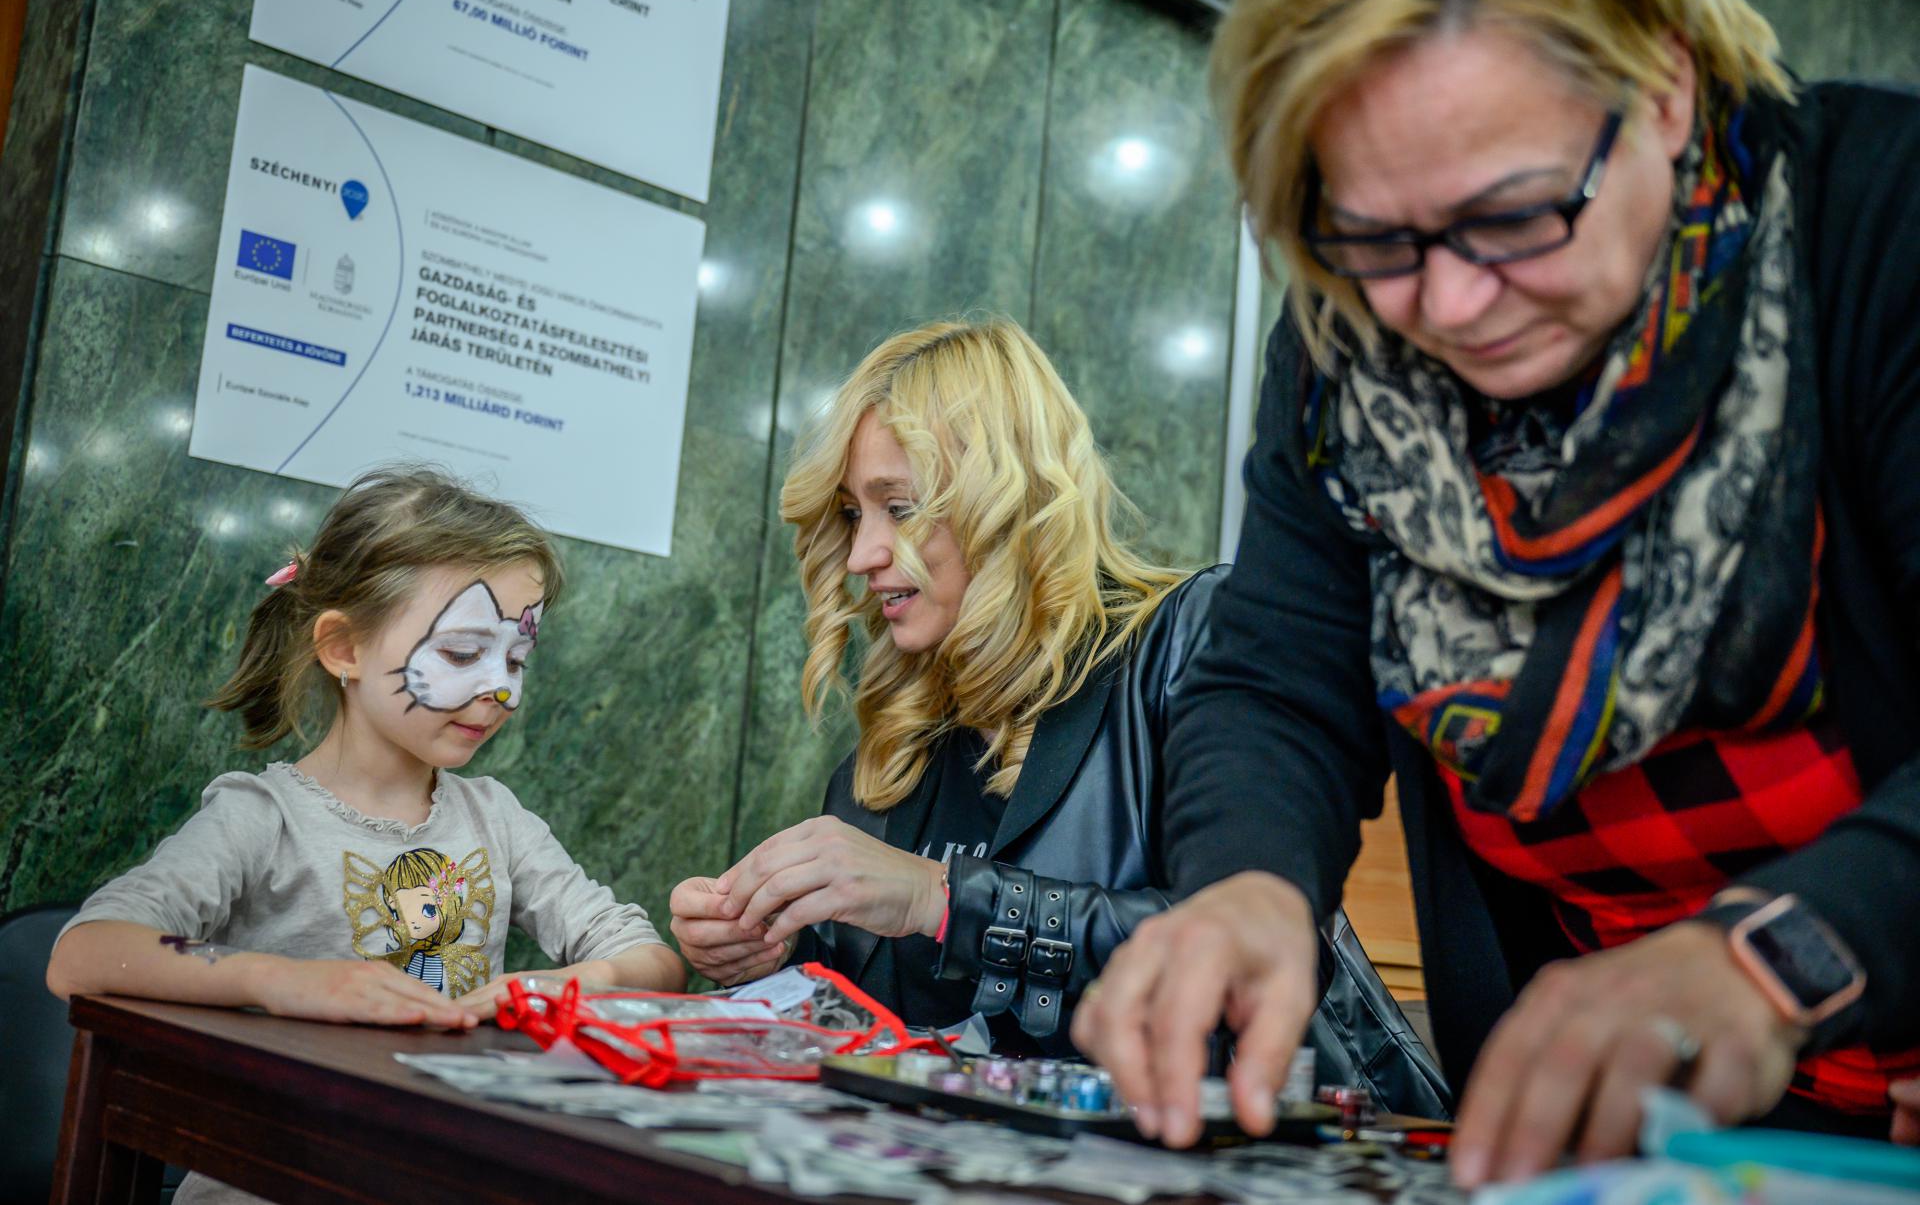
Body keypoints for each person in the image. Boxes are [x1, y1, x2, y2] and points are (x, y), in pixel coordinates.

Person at [1069, 0, 1920, 1186]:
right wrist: (1245, 884)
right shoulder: (1346, 347)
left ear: (1665, 86)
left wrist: (1767, 959)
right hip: (1606, 1130)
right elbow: (1277, 679)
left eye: (1514, 215)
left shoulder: (1883, 226)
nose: (1451, 304)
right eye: (1374, 235)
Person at [671, 319, 1446, 1111]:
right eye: (850, 514)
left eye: (898, 507)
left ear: (1003, 500)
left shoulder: (1192, 642)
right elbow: (876, 1032)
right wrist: (767, 952)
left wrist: (942, 898)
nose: (863, 553)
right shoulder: (889, 757)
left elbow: (1239, 938)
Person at [46, 467, 684, 1204]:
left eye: (516, 658)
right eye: (461, 653)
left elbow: (654, 964)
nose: (501, 689)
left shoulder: (497, 819)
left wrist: (555, 987)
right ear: (344, 647)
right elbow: (82, 952)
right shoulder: (263, 816)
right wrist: (279, 980)